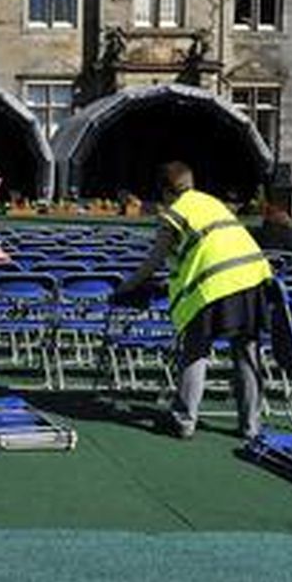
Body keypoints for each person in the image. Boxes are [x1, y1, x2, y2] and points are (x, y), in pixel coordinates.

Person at [111, 161, 274, 440]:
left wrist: (126, 287)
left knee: (195, 352)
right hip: (253, 279)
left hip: (213, 287)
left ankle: (185, 420)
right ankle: (251, 425)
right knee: (247, 354)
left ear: (165, 191)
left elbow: (155, 260)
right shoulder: (212, 203)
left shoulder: (176, 212)